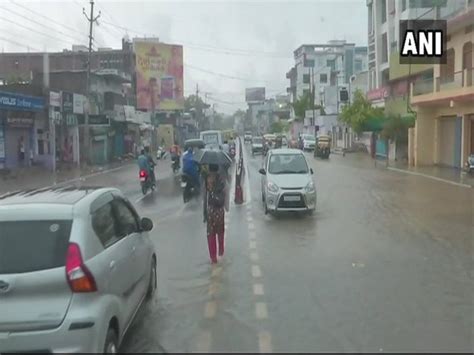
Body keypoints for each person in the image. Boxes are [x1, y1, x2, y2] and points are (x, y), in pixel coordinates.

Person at [203, 163, 226, 264]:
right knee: (216, 233)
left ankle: (216, 255)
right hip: (215, 211)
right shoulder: (218, 179)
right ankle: (217, 254)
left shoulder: (212, 180)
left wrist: (204, 213)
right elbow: (205, 198)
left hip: (214, 211)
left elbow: (206, 197)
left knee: (214, 233)